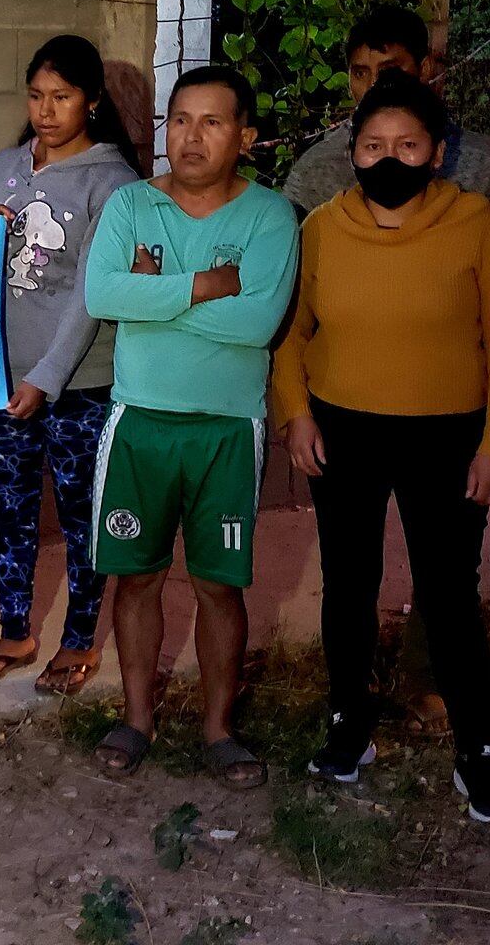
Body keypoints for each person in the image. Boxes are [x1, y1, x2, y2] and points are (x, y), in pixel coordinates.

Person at [271, 72, 490, 822]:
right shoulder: (320, 226)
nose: (391, 159)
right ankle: (349, 720)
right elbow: (293, 331)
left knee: (449, 593)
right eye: (374, 145)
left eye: (408, 145)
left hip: (448, 434)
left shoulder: (479, 224)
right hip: (341, 426)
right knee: (348, 582)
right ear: (352, 153)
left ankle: (477, 747)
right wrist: (296, 414)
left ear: (438, 153)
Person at [84, 65, 299, 790]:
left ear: (245, 135)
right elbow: (101, 293)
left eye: (212, 122)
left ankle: (218, 730)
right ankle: (136, 718)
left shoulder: (270, 217)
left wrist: (154, 292)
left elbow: (258, 324)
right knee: (135, 577)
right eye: (180, 119)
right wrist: (202, 284)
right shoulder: (131, 204)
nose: (192, 136)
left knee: (217, 584)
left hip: (226, 429)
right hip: (139, 421)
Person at [0, 34, 141, 694]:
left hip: (80, 384)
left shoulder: (114, 182)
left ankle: (78, 640)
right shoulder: (6, 165)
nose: (45, 109)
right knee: (9, 507)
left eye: (61, 97)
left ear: (91, 100)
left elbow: (93, 293)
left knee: (78, 512)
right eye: (36, 95)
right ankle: (16, 628)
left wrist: (47, 377)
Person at [282, 5, 490, 224]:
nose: (373, 84)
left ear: (424, 69)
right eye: (360, 73)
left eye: (389, 70)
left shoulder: (481, 165)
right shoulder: (317, 168)